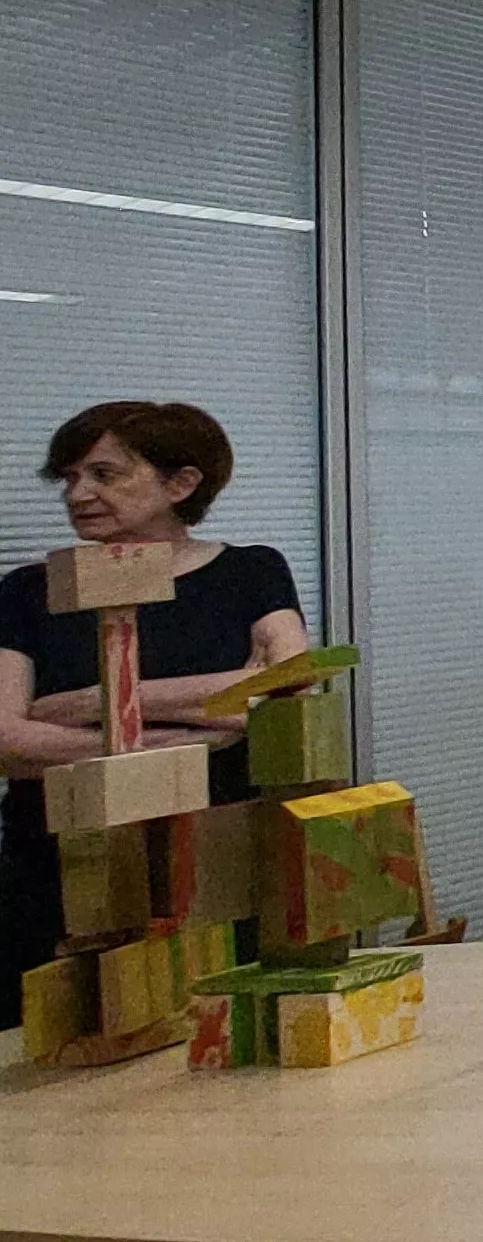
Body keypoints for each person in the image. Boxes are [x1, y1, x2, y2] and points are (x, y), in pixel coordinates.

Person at [2, 402, 308, 1028]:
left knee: (218, 1032)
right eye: (70, 478)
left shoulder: (250, 571)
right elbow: (7, 741)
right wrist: (200, 728)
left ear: (181, 483)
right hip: (64, 862)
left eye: (104, 474)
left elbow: (285, 691)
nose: (78, 494)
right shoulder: (29, 591)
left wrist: (95, 704)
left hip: (213, 857)